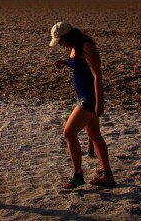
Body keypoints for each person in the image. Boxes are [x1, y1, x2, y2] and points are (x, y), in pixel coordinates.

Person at [50, 21, 117, 188]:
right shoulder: (75, 47)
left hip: (89, 98)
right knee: (94, 135)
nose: (61, 45)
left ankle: (78, 175)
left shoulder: (87, 46)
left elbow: (97, 76)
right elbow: (79, 65)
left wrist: (99, 103)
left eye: (61, 42)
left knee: (68, 133)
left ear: (68, 36)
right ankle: (107, 174)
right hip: (83, 97)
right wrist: (66, 63)